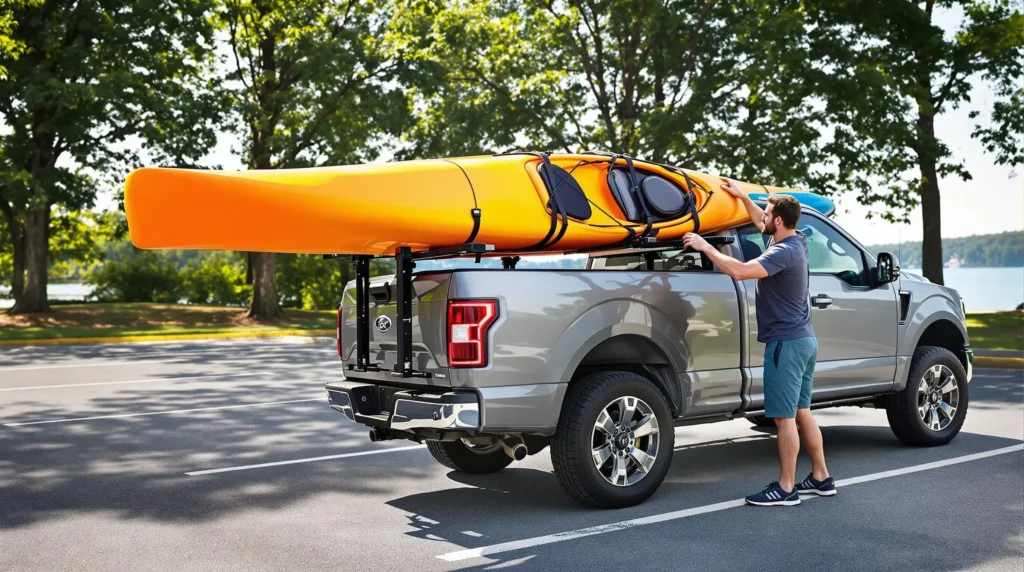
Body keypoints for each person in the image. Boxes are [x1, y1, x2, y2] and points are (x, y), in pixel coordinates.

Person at [681, 178, 835, 507]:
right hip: (805, 341)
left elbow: (739, 271)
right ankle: (821, 477)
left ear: (778, 220)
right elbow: (761, 222)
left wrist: (705, 246)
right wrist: (743, 198)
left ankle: (786, 487)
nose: (762, 219)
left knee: (783, 419)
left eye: (767, 214)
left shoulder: (781, 252)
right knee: (802, 413)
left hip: (785, 346)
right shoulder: (799, 240)